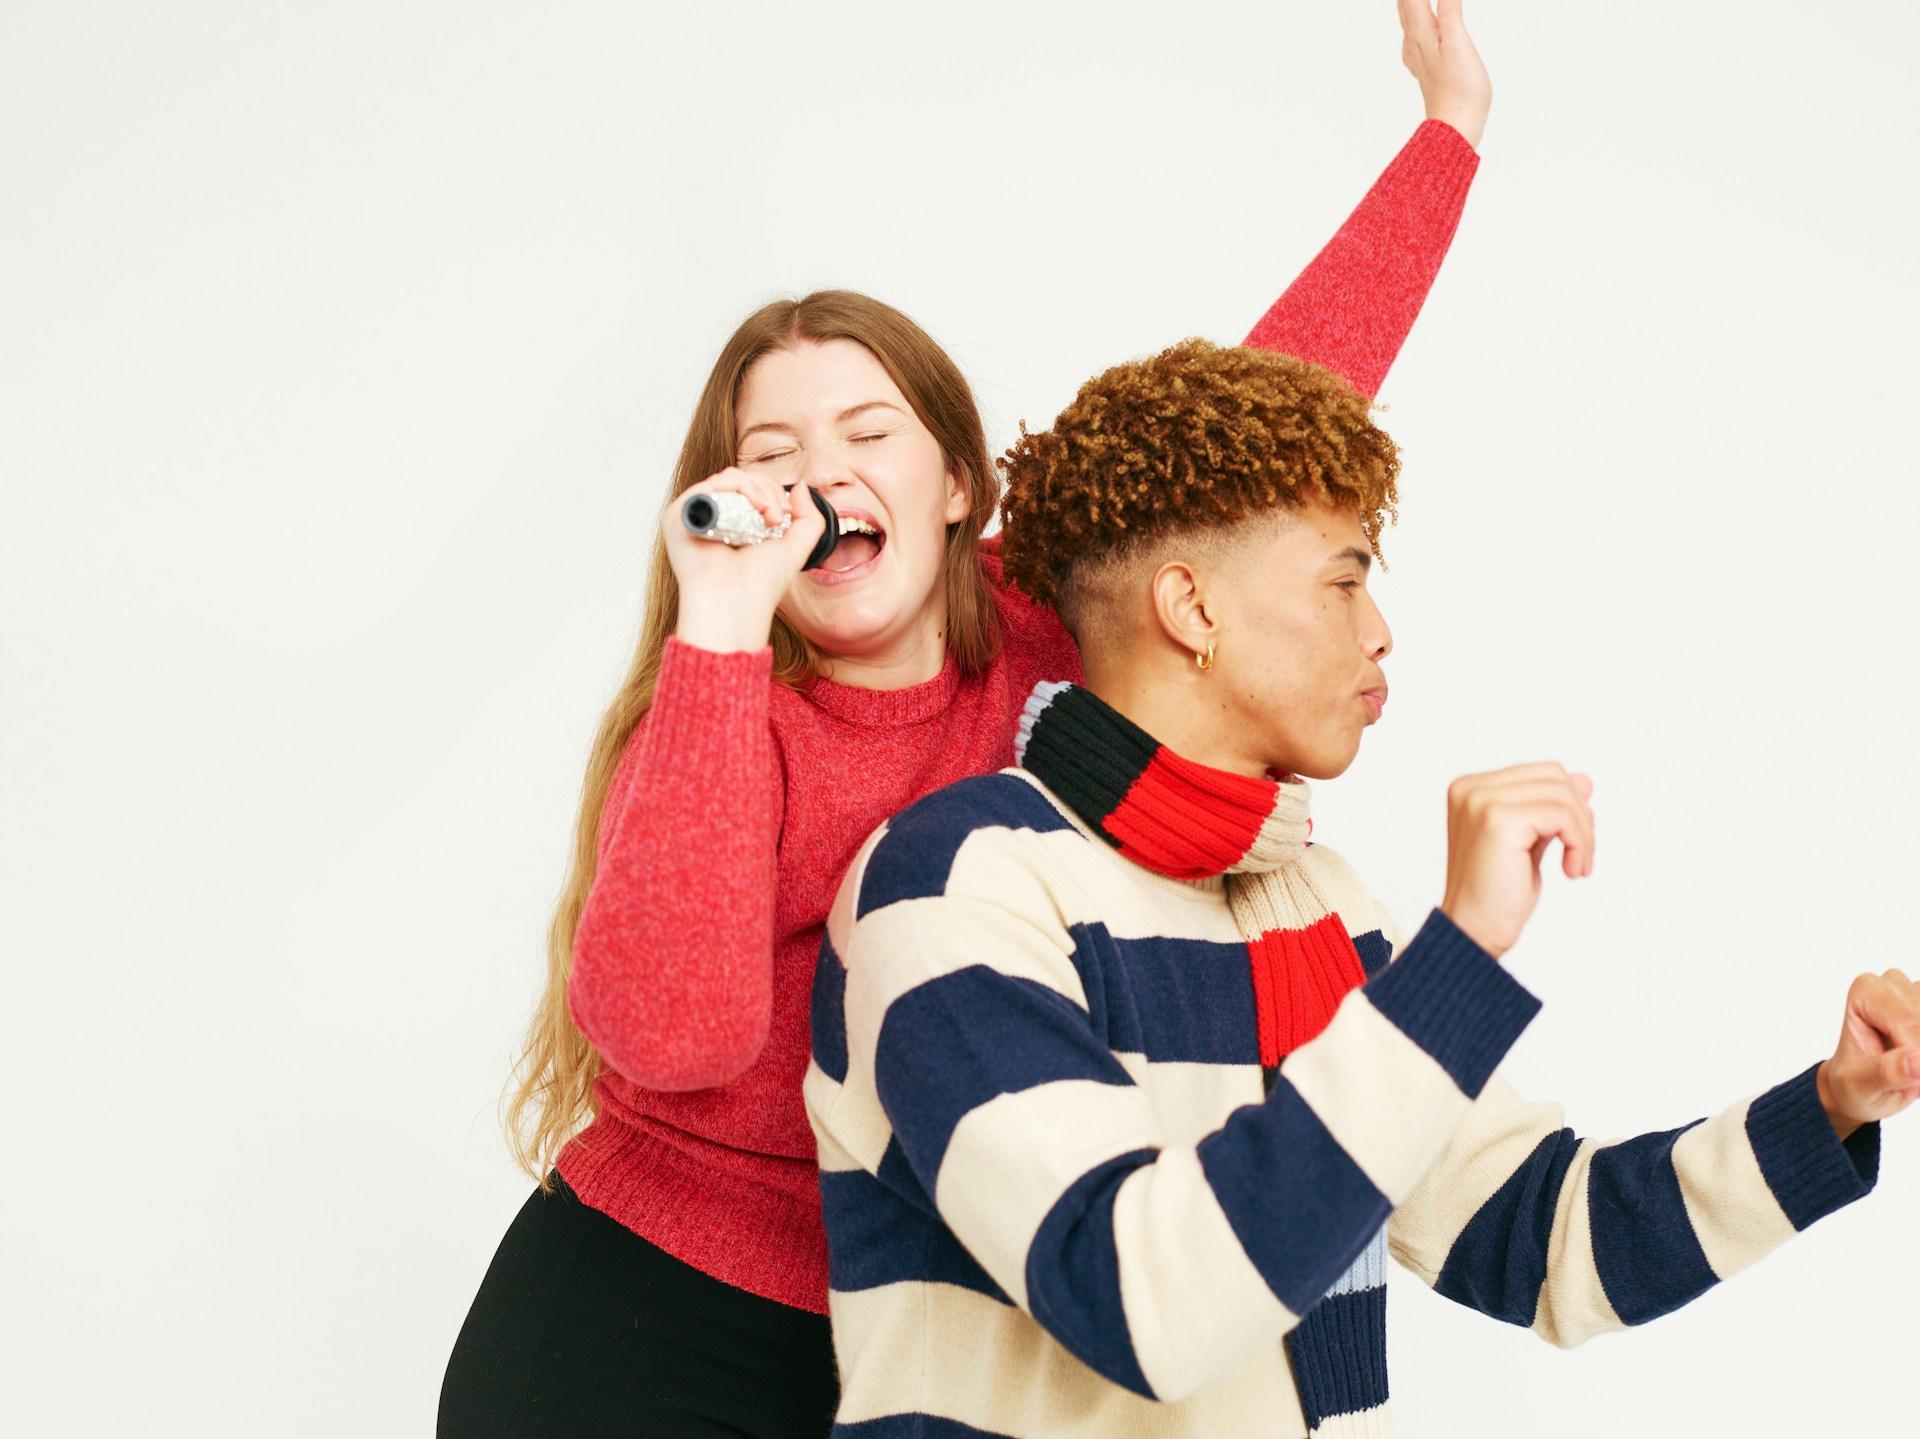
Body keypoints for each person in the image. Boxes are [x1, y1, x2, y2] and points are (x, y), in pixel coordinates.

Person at [439, 5, 1498, 1434]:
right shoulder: (715, 706)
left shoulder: (1044, 631)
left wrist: (1448, 135)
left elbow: (1266, 415)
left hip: (927, 1328)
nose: (824, 471)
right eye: (776, 454)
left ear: (954, 482)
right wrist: (719, 624)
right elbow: (674, 1036)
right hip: (640, 1322)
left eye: (866, 434)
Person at [806, 337, 1912, 1436]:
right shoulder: (954, 884)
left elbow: (1544, 1240)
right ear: (1192, 608)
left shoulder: (1311, 899)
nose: (1379, 630)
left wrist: (1834, 1101)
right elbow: (1144, 1306)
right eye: (1343, 579)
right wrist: (1457, 960)